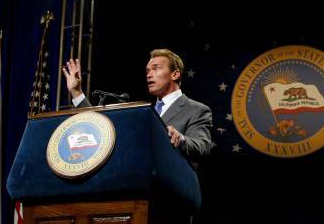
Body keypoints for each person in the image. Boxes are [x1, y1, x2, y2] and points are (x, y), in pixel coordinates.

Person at [61, 49, 214, 164]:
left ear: (174, 74)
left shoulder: (196, 110)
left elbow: (203, 147)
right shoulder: (144, 112)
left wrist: (180, 138)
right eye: (148, 70)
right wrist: (76, 92)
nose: (149, 74)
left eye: (156, 68)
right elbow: (100, 130)